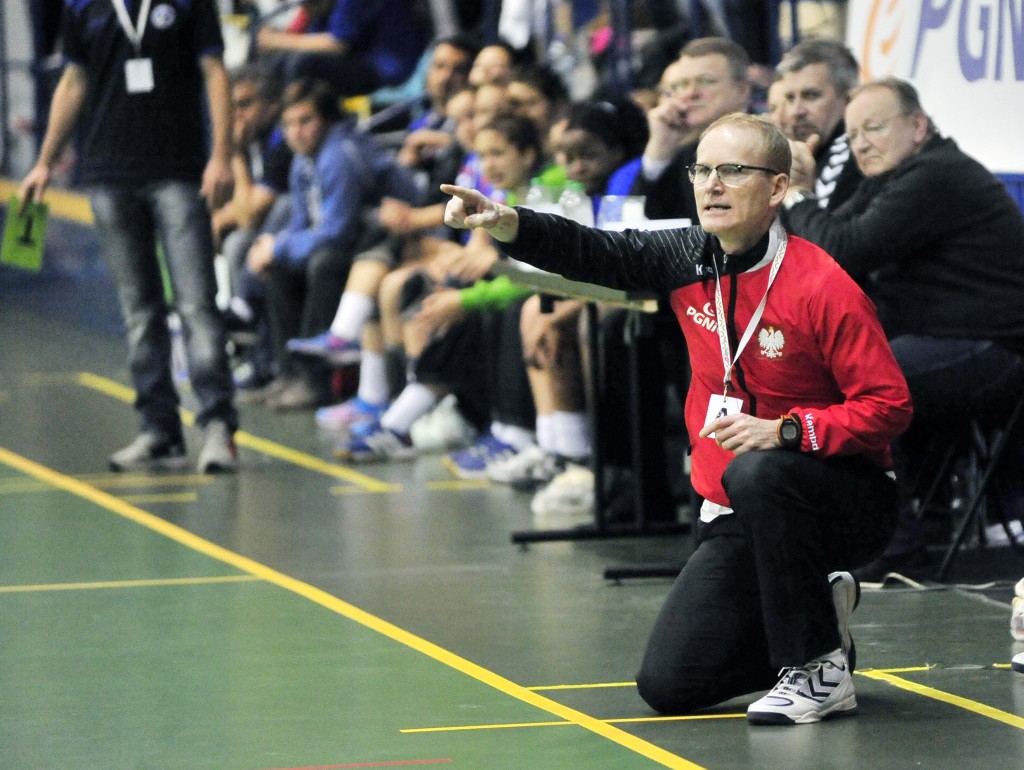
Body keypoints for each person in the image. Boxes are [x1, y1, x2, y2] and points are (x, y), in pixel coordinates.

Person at [441, 113, 913, 724]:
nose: (712, 184)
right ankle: (822, 619)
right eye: (704, 170)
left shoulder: (822, 284)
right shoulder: (689, 256)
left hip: (841, 498)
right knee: (670, 684)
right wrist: (508, 222)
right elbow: (599, 252)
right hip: (737, 510)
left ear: (775, 188)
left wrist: (788, 430)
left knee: (758, 471)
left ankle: (819, 672)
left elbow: (889, 405)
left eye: (733, 171)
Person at [784, 78, 1024, 578]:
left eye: (873, 128)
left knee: (865, 388)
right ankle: (918, 527)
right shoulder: (897, 175)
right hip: (942, 341)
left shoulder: (936, 176)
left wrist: (798, 194)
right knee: (841, 367)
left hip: (993, 349)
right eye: (852, 137)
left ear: (917, 126)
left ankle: (893, 546)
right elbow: (826, 246)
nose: (862, 144)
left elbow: (841, 249)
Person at [19, 0, 239, 473]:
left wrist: (221, 154)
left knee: (197, 304)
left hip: (178, 173)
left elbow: (215, 72)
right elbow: (74, 81)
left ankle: (218, 425)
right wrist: (44, 159)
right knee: (139, 311)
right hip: (108, 174)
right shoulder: (84, 7)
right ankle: (158, 430)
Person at [246, 78, 418, 410]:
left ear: (326, 121)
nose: (297, 132)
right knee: (281, 267)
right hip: (354, 238)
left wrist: (279, 247)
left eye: (306, 121)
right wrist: (275, 247)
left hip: (390, 239)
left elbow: (338, 230)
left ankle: (316, 380)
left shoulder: (338, 154)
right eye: (289, 124)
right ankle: (289, 374)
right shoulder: (302, 160)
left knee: (323, 262)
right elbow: (302, 223)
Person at [630, 37, 752, 222]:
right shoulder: (687, 155)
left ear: (742, 90)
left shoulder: (770, 145)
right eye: (682, 84)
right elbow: (642, 222)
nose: (690, 93)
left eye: (705, 81)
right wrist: (659, 150)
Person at [254, 0, 431, 98]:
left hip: (386, 67)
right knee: (275, 61)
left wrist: (276, 40)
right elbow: (312, 36)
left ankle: (294, 125)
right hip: (360, 57)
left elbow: (338, 43)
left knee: (301, 64)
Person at [773, 39, 862, 211]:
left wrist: (799, 191)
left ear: (847, 99)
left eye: (811, 96)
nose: (796, 111)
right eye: (790, 98)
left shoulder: (855, 151)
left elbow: (826, 237)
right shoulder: (794, 152)